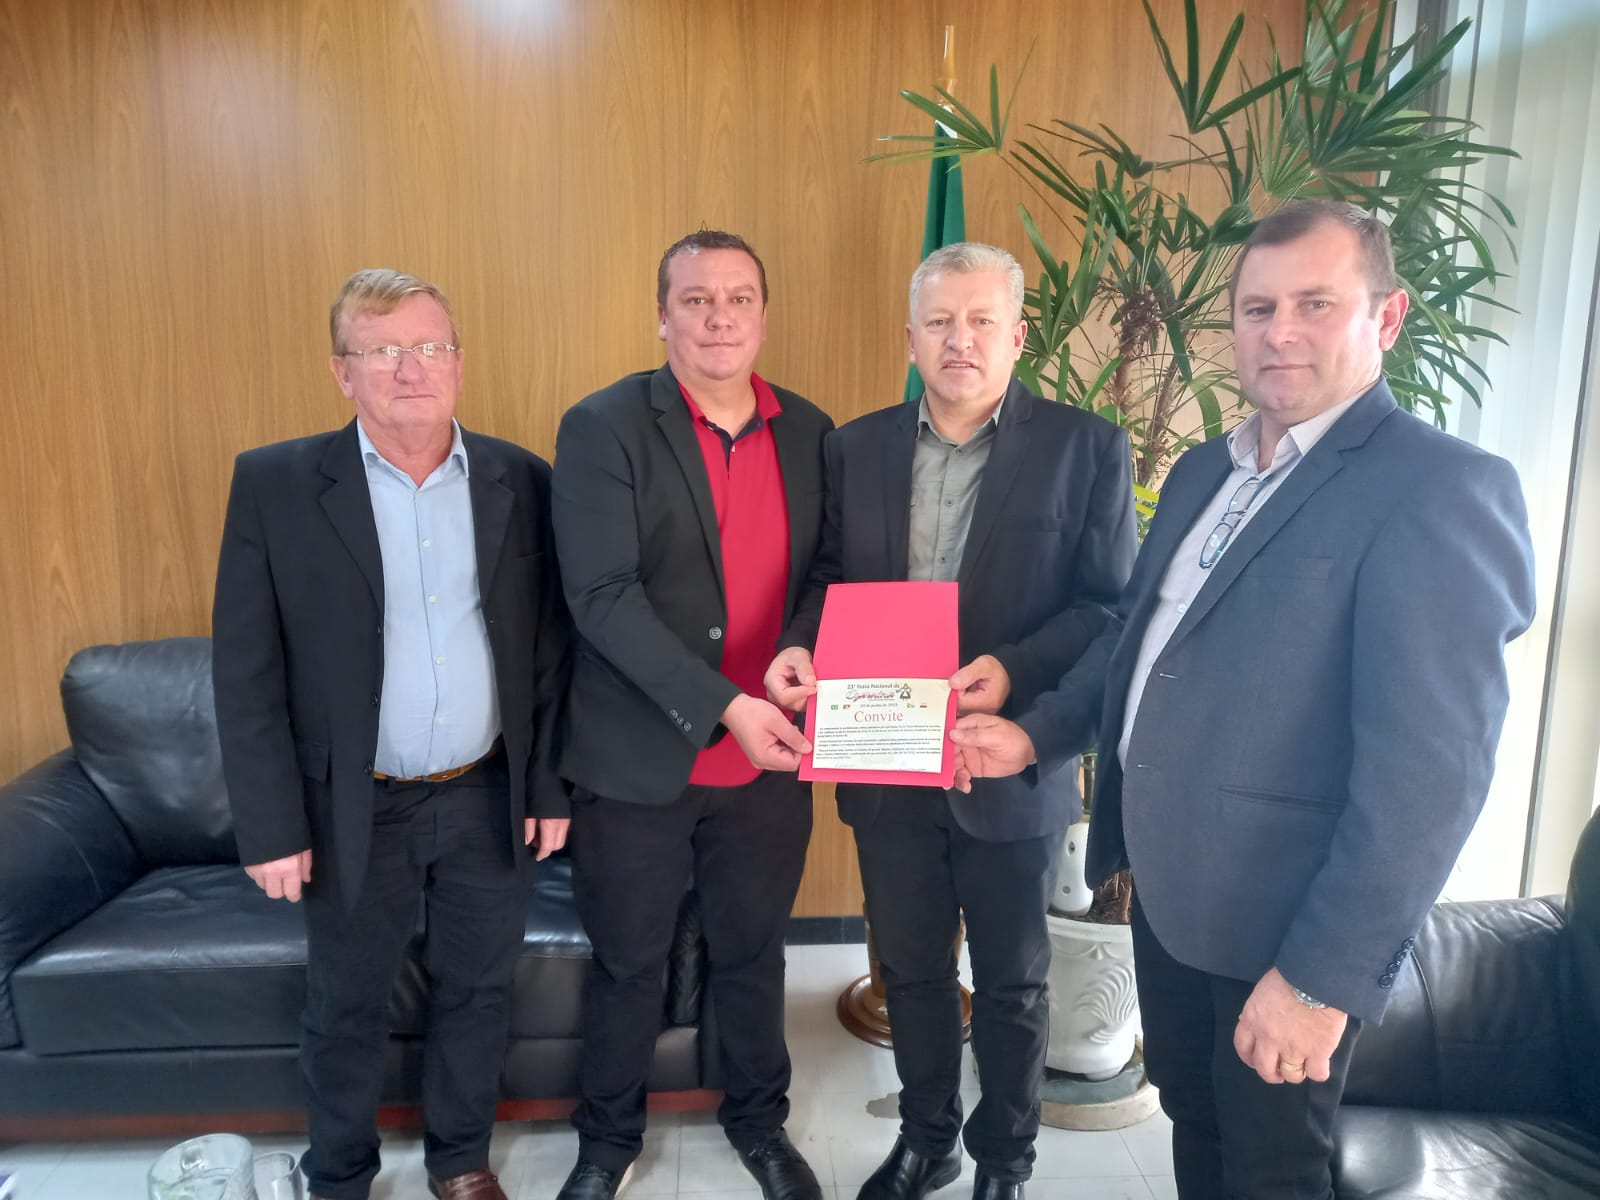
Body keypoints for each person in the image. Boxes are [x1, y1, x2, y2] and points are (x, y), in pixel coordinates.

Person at [950, 200, 1538, 1199]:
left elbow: (1430, 779)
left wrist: (1318, 982)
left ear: (1387, 317)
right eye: (1258, 308)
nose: (1280, 332)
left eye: (1316, 304)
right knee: (1198, 1128)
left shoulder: (1438, 488)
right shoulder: (1200, 474)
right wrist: (1033, 737)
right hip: (1172, 904)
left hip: (1285, 931)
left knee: (1272, 1172)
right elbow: (1133, 646)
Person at [765, 242, 1138, 1200]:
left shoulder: (1086, 448)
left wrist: (1014, 673)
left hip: (1007, 764)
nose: (959, 340)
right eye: (939, 322)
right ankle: (928, 1142)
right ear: (911, 337)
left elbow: (1108, 611)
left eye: (980, 321)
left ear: (1018, 336)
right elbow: (829, 577)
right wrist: (802, 645)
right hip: (885, 761)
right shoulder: (855, 447)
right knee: (914, 972)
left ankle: (1006, 1164)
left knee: (1013, 985)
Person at [213, 269, 570, 1200]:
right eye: (383, 352)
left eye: (430, 346)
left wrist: (546, 787)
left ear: (459, 361)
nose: (412, 369)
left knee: (478, 991)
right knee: (346, 1004)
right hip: (351, 805)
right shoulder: (276, 485)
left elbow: (547, 652)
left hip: (486, 792)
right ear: (343, 372)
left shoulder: (521, 479)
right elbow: (246, 672)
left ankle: (461, 1163)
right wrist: (271, 826)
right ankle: (339, 1174)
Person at [550, 230, 833, 1200]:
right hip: (636, 758)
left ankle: (759, 1124)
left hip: (771, 757)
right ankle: (606, 1142)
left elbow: (827, 570)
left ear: (764, 316)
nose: (719, 317)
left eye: (739, 298)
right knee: (628, 963)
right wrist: (724, 706)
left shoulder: (809, 430)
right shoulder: (603, 427)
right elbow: (601, 598)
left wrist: (799, 646)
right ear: (661, 317)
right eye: (697, 299)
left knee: (752, 956)